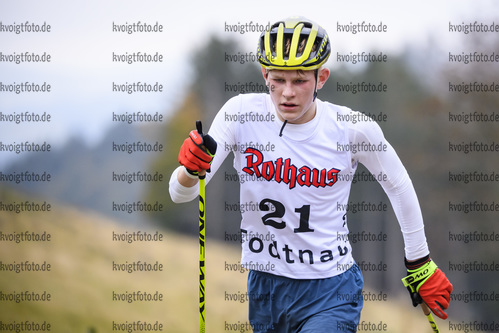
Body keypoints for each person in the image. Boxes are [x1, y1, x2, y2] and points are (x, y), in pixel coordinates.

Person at [169, 16, 452, 332]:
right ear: (265, 75)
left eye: (300, 81)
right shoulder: (240, 114)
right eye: (278, 80)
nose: (287, 93)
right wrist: (189, 171)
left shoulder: (352, 129)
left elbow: (398, 185)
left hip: (331, 288)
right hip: (266, 287)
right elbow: (182, 193)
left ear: (322, 78)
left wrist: (420, 262)